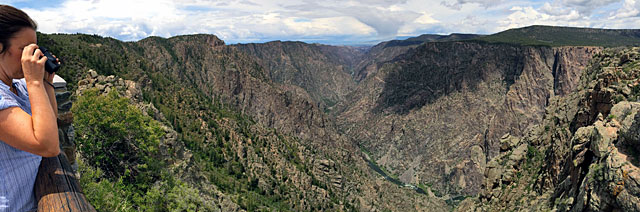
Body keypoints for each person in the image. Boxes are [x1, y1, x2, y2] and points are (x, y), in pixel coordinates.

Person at [0, 4, 61, 212]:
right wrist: (34, 82)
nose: (32, 56)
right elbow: (48, 146)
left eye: (34, 48)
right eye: (25, 49)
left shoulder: (17, 85)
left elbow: (50, 123)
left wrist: (45, 82)